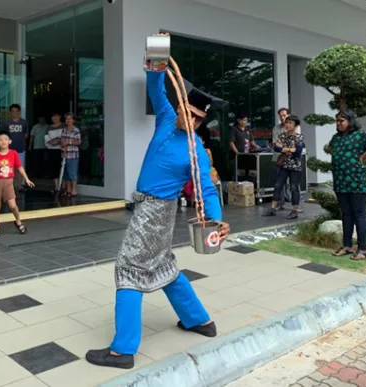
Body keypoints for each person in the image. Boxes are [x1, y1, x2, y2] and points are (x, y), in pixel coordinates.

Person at [85, 33, 230, 370]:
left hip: (155, 211)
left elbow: (206, 189)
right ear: (180, 105)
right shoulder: (166, 118)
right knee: (162, 265)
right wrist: (157, 52)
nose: (191, 120)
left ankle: (122, 350)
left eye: (198, 118)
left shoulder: (196, 149)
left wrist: (218, 217)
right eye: (188, 112)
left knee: (129, 268)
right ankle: (198, 320)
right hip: (151, 209)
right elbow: (154, 85)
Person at [330, 109, 366, 261]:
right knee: (346, 214)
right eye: (337, 121)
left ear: (350, 121)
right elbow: (332, 149)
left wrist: (364, 156)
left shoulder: (361, 135)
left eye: (342, 121)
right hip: (340, 181)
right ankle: (347, 246)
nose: (338, 123)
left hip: (356, 181)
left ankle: (362, 249)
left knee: (359, 214)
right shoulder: (336, 138)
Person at [0, 131, 35, 239]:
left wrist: (27, 179)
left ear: (10, 141)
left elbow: (19, 167)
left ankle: (18, 221)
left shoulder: (13, 153)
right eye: (0, 140)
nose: (3, 141)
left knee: (13, 206)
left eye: (5, 139)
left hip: (8, 182)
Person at [263, 115, 304, 220]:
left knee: (294, 188)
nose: (288, 125)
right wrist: (290, 149)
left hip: (295, 167)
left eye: (290, 123)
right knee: (278, 185)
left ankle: (294, 210)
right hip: (283, 165)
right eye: (287, 122)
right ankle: (272, 208)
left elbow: (298, 152)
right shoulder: (282, 136)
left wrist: (284, 149)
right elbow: (276, 148)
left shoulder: (299, 137)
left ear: (295, 125)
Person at [0, 104, 29, 191]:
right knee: (7, 168)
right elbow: (2, 135)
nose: (15, 113)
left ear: (19, 112)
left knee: (20, 168)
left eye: (17, 111)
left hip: (20, 149)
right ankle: (9, 186)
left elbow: (26, 135)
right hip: (8, 149)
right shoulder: (5, 122)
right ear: (10, 112)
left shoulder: (24, 122)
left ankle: (19, 185)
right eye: (13, 111)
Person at [229, 112, 260, 180]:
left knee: (247, 173)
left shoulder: (248, 130)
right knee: (238, 173)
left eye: (245, 120)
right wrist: (237, 153)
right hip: (237, 156)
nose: (244, 122)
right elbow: (231, 143)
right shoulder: (234, 129)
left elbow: (251, 141)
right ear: (238, 120)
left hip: (247, 156)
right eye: (242, 120)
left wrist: (256, 146)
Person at [272, 108, 290, 210]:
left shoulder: (294, 126)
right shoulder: (276, 128)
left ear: (288, 115)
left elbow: (293, 143)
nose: (282, 118)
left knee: (294, 182)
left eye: (284, 115)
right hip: (278, 158)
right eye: (281, 116)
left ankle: (296, 204)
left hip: (291, 158)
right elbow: (275, 144)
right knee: (278, 182)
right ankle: (280, 202)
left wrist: (282, 145)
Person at [60, 113, 81, 197]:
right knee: (66, 174)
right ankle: (68, 190)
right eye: (66, 119)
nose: (68, 120)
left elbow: (79, 142)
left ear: (73, 120)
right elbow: (61, 141)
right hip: (64, 155)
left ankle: (74, 191)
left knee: (73, 173)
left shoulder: (76, 130)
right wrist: (62, 144)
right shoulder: (64, 130)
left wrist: (68, 142)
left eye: (70, 119)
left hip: (73, 155)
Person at [45, 113, 64, 194]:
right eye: (53, 116)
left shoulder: (64, 126)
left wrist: (57, 141)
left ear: (60, 117)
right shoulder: (48, 127)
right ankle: (56, 187)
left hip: (62, 150)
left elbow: (64, 138)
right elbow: (47, 140)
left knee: (62, 168)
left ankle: (63, 187)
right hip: (52, 150)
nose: (55, 118)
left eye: (57, 116)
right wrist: (55, 141)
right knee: (53, 168)